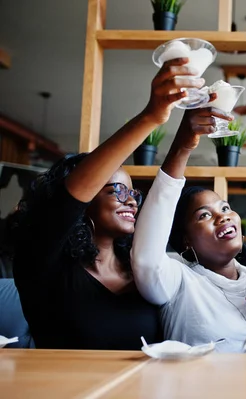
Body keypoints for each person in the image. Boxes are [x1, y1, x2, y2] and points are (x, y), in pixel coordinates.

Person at [11, 57, 202, 349]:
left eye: (133, 193)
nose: (132, 202)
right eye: (116, 190)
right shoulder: (44, 262)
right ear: (84, 202)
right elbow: (68, 198)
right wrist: (151, 116)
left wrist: (185, 142)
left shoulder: (141, 269)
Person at [131, 108, 246, 353]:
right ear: (186, 240)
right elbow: (146, 258)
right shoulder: (179, 282)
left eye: (225, 207)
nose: (222, 216)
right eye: (204, 215)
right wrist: (183, 146)